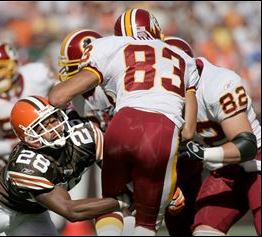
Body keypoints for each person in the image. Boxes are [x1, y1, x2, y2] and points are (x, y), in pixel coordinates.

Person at [49, 8, 200, 235]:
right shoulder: (183, 58)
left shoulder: (113, 49)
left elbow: (57, 97)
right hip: (161, 131)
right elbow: (188, 131)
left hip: (122, 127)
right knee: (148, 219)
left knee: (110, 203)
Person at [0, 95, 129, 236]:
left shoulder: (84, 135)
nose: (54, 127)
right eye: (43, 126)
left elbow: (118, 174)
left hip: (33, 213)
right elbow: (70, 210)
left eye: (53, 119)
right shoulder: (26, 164)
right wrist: (124, 201)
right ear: (29, 137)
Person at [164, 36, 260, 236]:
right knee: (204, 232)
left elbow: (246, 146)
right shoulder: (161, 97)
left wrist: (201, 154)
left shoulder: (217, 84)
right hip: (224, 171)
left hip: (257, 162)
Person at [0, 41, 56, 181]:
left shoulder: (36, 76)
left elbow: (61, 93)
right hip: (14, 162)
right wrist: (15, 145)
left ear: (14, 65)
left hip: (51, 152)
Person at [58, 29, 115, 235]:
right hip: (101, 150)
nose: (68, 75)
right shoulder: (77, 96)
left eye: (75, 69)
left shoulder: (114, 87)